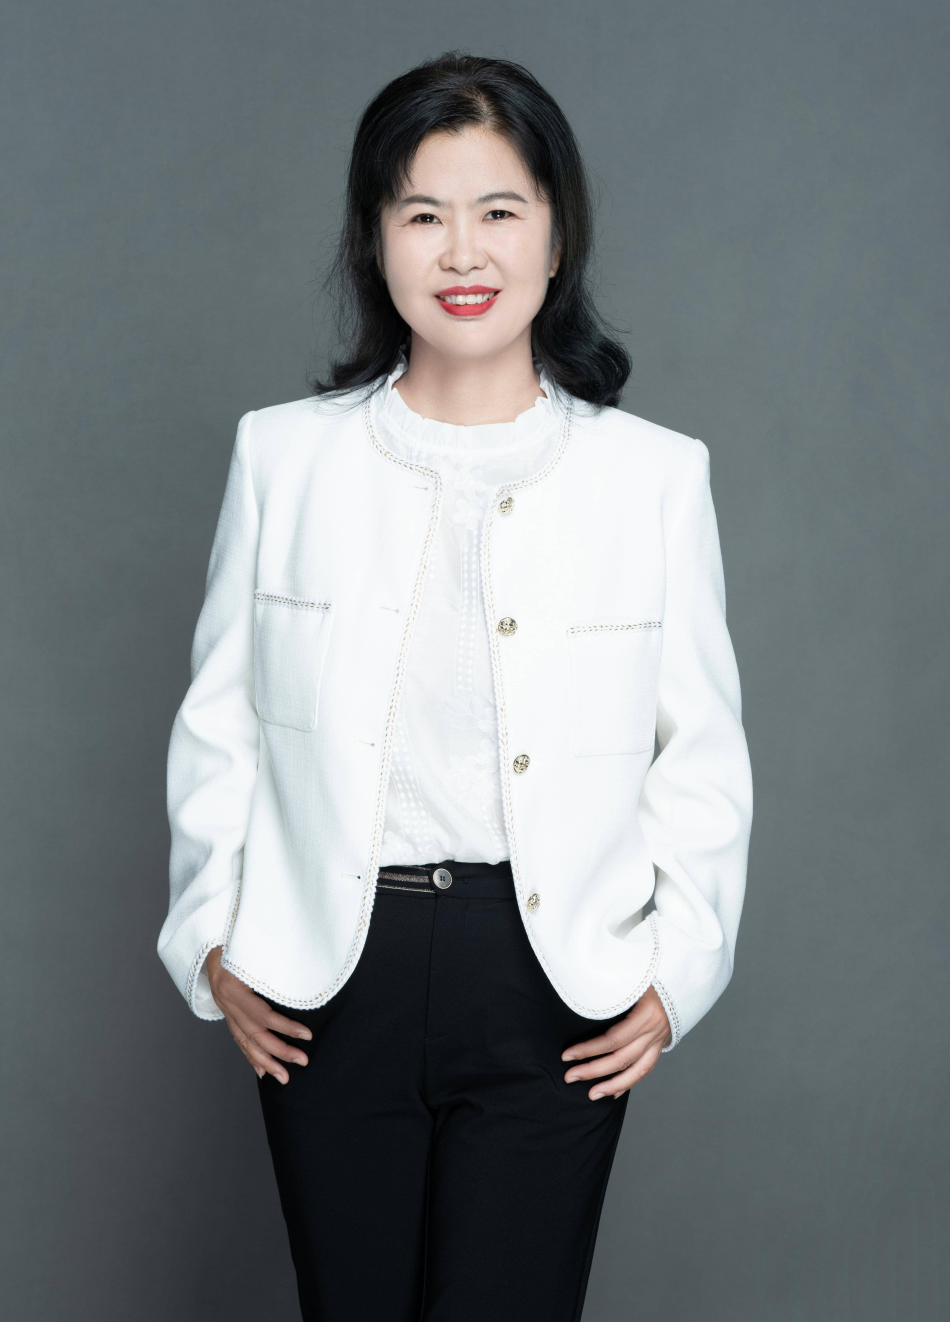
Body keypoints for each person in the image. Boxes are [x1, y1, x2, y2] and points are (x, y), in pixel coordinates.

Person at [158, 51, 752, 1322]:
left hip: (551, 980)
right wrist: (208, 938)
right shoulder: (283, 459)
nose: (462, 251)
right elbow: (220, 724)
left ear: (555, 236)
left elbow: (698, 749)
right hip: (329, 971)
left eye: (498, 210)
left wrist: (676, 970)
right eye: (422, 214)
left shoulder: (652, 477)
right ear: (374, 241)